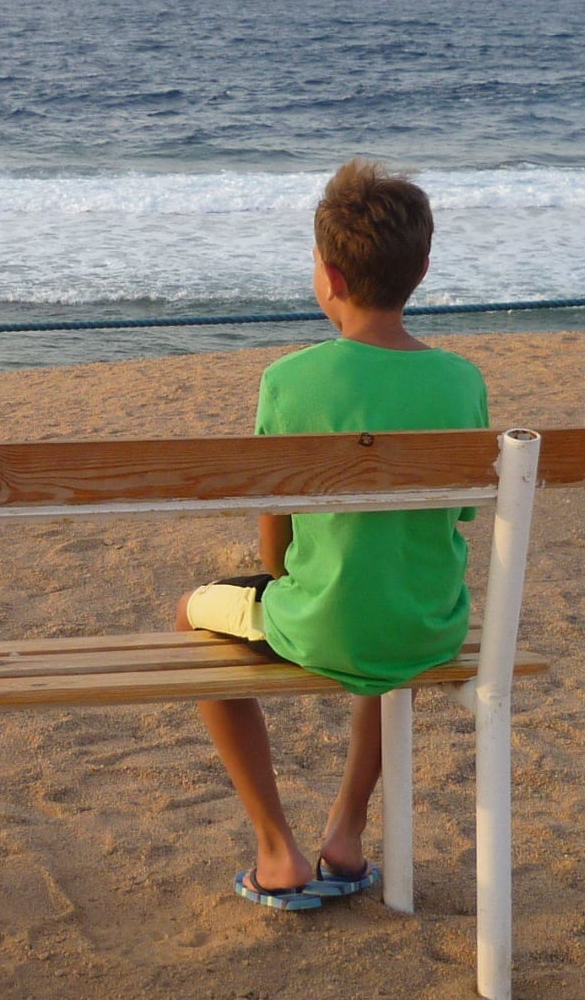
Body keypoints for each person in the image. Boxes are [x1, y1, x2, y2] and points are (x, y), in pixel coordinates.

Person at [178, 159, 489, 911]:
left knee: (190, 617)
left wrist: (285, 579)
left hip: (321, 623)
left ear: (331, 278)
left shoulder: (290, 380)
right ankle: (346, 832)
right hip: (429, 624)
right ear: (420, 272)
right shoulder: (462, 381)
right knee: (383, 617)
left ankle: (277, 848)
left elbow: (275, 542)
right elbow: (459, 517)